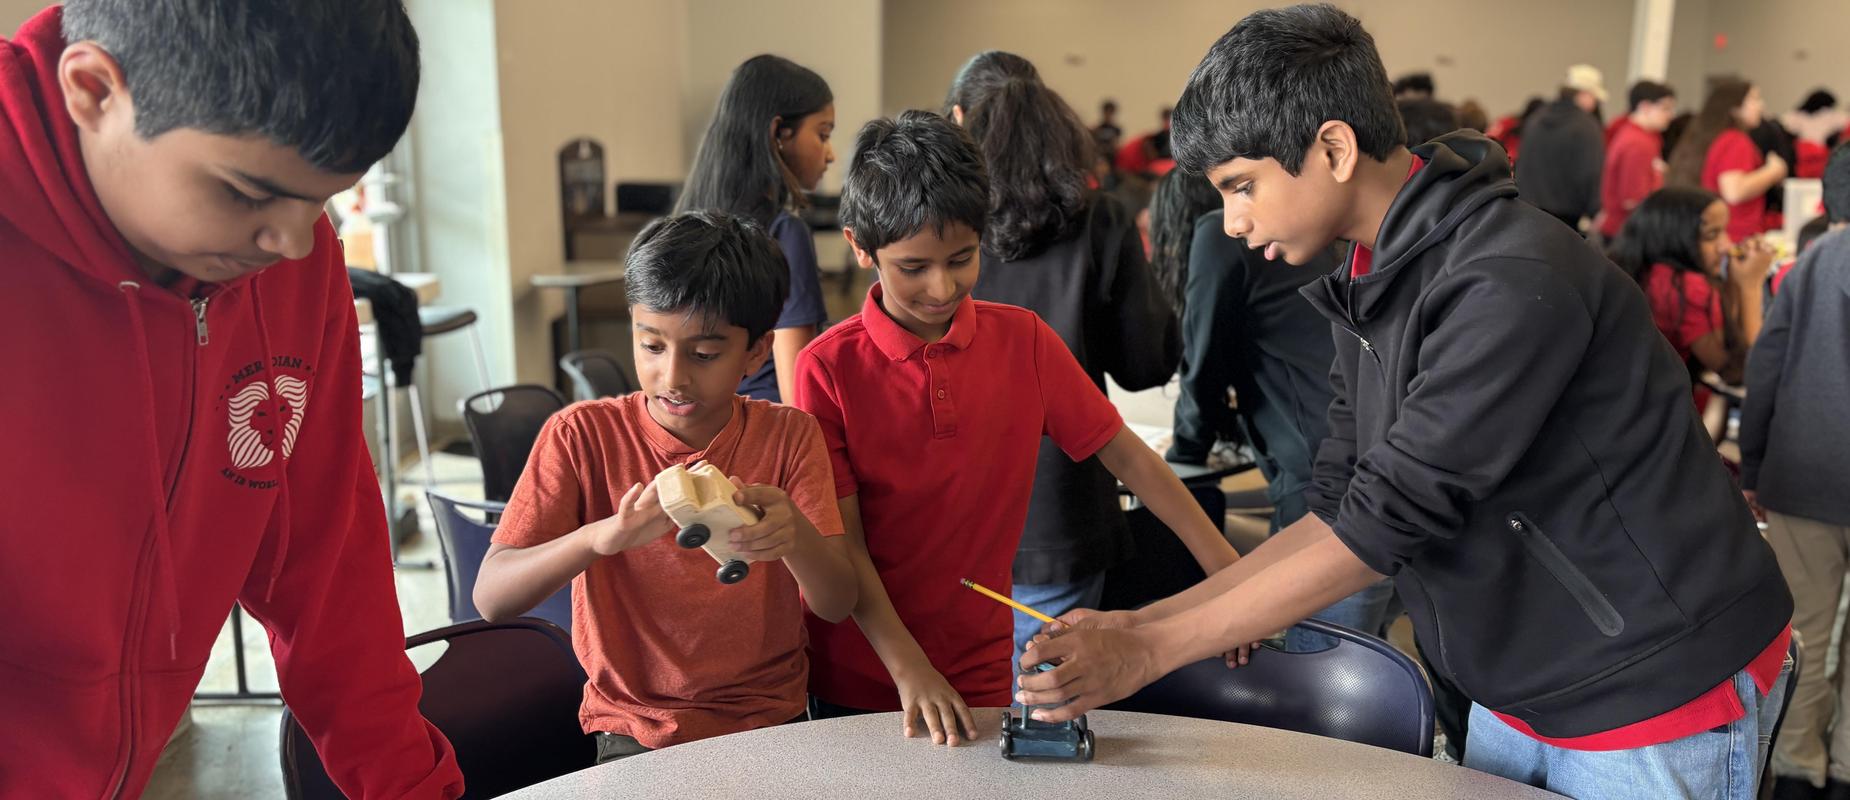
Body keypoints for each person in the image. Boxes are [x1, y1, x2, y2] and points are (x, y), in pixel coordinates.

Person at [1019, 8, 1793, 799]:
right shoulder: (1371, 278)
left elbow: (1387, 520)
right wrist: (1140, 624)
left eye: (1242, 186)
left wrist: (1151, 654)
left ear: (1333, 148)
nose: (1236, 221)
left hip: (1651, 687)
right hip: (1523, 683)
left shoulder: (1509, 276)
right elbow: (1338, 503)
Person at [0, 2, 464, 796]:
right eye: (248, 193)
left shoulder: (292, 257)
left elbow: (327, 570)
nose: (291, 243)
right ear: (95, 90)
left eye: (321, 201)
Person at [793, 111, 1240, 745]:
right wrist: (910, 670)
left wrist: (1226, 570)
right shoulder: (827, 369)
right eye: (913, 267)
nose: (941, 286)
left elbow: (1131, 459)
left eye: (962, 258)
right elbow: (847, 547)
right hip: (861, 674)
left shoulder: (1023, 341)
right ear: (861, 248)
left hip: (979, 664)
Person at [473, 211, 858, 763]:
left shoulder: (789, 436)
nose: (673, 377)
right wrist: (600, 539)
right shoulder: (581, 435)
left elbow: (837, 603)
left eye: (704, 355)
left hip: (771, 722)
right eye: (651, 345)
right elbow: (492, 598)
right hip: (635, 728)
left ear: (756, 352)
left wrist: (793, 534)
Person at [942, 51, 1180, 663]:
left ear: (960, 118)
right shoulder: (1099, 220)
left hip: (944, 519)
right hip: (1061, 513)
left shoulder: (937, 231)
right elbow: (1144, 364)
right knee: (1045, 721)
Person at [1149, 168, 1393, 653]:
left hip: (1324, 483)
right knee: (1379, 666)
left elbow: (1202, 363)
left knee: (1325, 682)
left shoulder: (1217, 235)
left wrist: (1187, 448)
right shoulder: (1318, 235)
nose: (1235, 222)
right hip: (1375, 466)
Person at [1747, 143, 1850, 800]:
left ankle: (1795, 767)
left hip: (1805, 473)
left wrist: (1753, 463)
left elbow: (1767, 371)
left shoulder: (1808, 266)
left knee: (1805, 630)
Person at [676, 55, 836, 403]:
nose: (831, 154)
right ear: (779, 133)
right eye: (823, 134)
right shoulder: (783, 234)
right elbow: (799, 400)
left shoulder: (682, 226)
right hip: (766, 438)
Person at [1607, 187, 1773, 416]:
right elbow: (1743, 373)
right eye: (1711, 235)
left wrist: (1734, 283)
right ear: (1674, 237)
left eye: (1724, 231)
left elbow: (1728, 339)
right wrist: (1751, 287)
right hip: (1655, 419)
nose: (1726, 245)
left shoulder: (1647, 273)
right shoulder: (1684, 286)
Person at [1668, 78, 1789, 243]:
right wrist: (1774, 171)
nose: (1761, 105)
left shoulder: (1710, 138)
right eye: (1754, 99)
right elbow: (1734, 191)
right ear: (1734, 108)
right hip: (1735, 235)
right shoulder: (1735, 140)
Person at [1514, 65, 1608, 231]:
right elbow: (1590, 173)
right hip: (1566, 219)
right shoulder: (1587, 127)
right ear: (1584, 95)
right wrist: (1595, 211)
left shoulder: (1536, 119)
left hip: (1527, 210)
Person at [1598, 81, 1678, 240]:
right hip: (1627, 231)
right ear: (1645, 107)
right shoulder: (1637, 143)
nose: (1671, 115)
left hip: (1627, 227)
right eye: (1665, 108)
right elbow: (1632, 199)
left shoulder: (1643, 136)